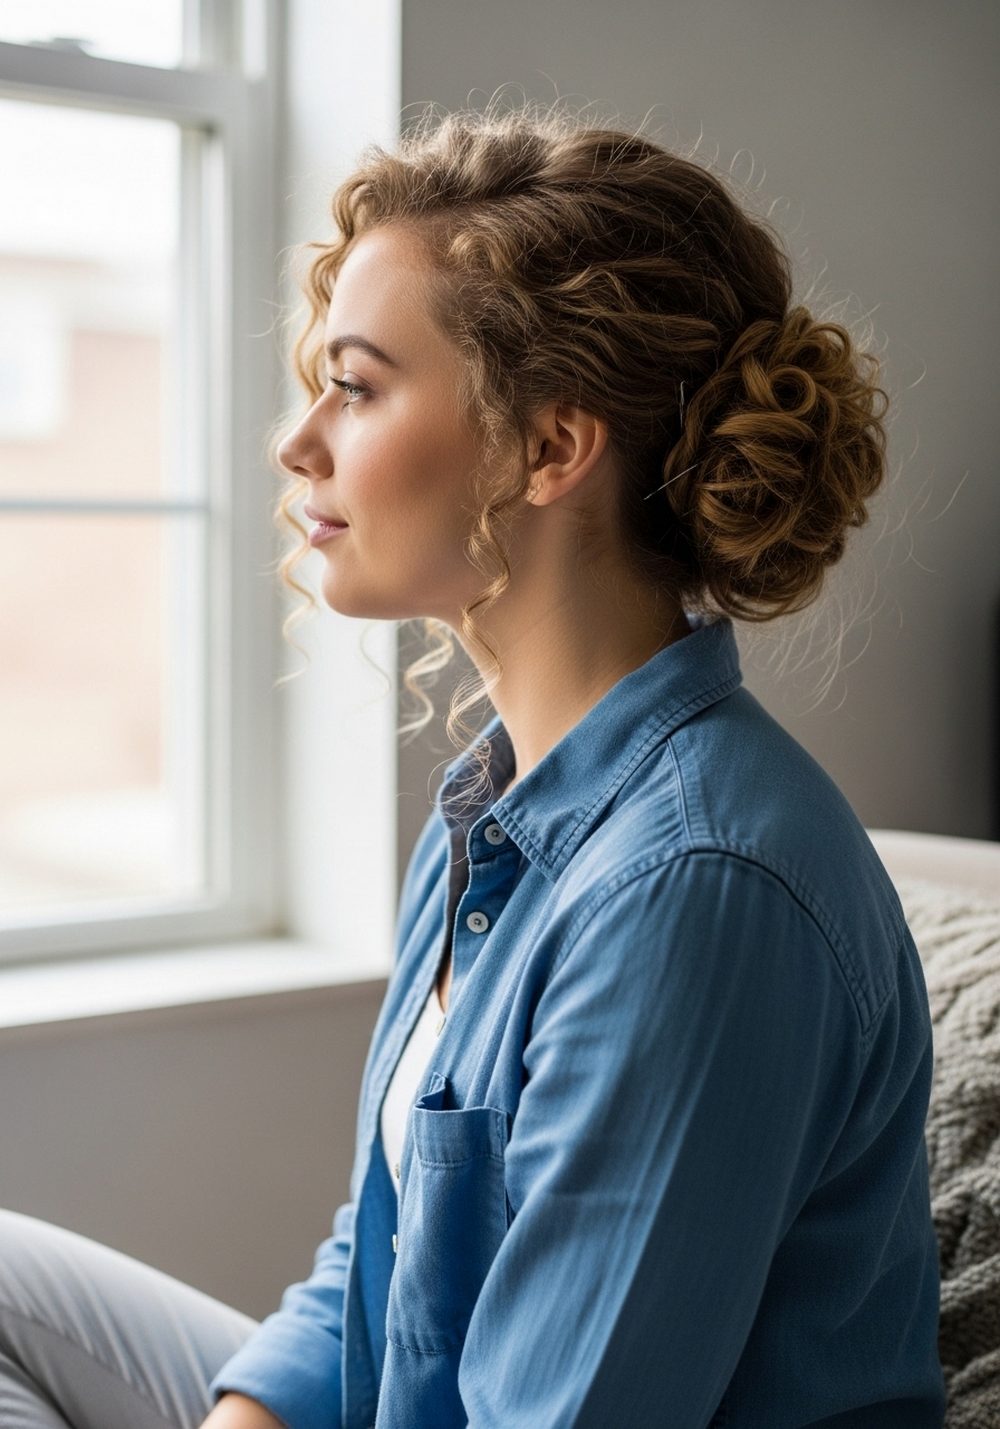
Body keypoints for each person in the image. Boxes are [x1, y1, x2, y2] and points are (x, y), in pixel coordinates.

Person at [0, 101, 947, 1428]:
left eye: (361, 383)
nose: (297, 441)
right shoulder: (500, 815)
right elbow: (388, 1267)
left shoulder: (694, 887)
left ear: (552, 446)